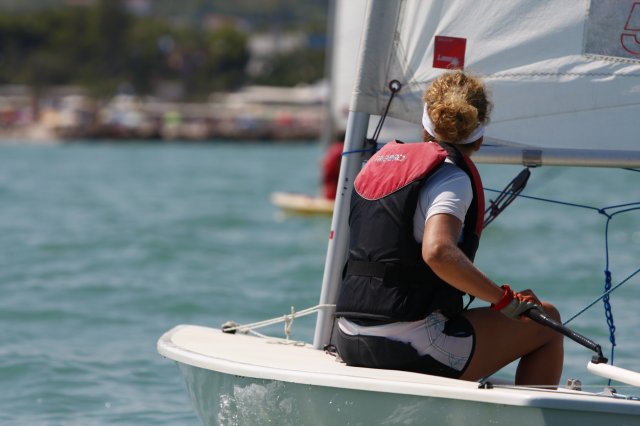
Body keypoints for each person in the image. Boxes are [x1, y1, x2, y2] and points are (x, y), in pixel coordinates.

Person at [334, 71, 563, 387]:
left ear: (424, 126)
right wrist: (505, 302)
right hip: (408, 346)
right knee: (547, 320)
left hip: (347, 334)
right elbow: (439, 252)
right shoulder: (451, 179)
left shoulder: (374, 166)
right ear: (480, 137)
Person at [321, 133, 345, 200]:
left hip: (328, 175)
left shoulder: (332, 148)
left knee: (329, 190)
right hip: (334, 176)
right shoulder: (342, 149)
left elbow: (322, 162)